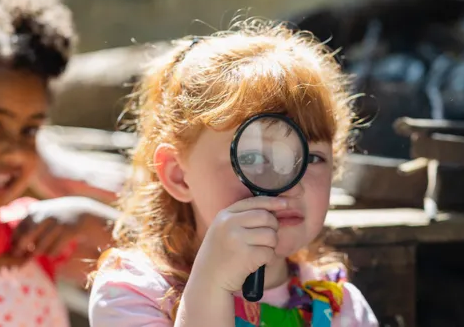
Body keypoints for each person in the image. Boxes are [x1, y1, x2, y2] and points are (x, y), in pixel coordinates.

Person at [88, 19, 379, 326]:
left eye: (314, 158)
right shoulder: (134, 294)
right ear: (178, 175)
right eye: (253, 156)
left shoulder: (339, 308)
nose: (291, 184)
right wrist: (212, 285)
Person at [0, 0, 118, 326]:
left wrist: (91, 218)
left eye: (30, 131)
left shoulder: (24, 237)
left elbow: (169, 266)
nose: (16, 151)